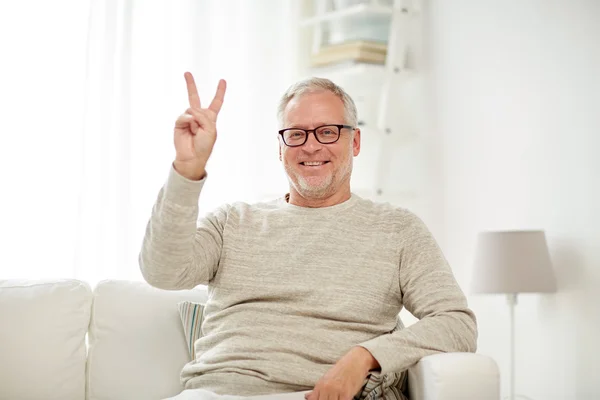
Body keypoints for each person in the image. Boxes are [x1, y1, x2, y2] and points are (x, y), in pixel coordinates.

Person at [140, 72, 477, 400]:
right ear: (280, 146)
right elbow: (163, 271)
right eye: (297, 134)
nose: (311, 146)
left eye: (328, 132)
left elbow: (457, 324)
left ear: (355, 142)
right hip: (216, 392)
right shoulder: (233, 221)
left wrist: (364, 356)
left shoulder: (397, 229)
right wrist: (188, 168)